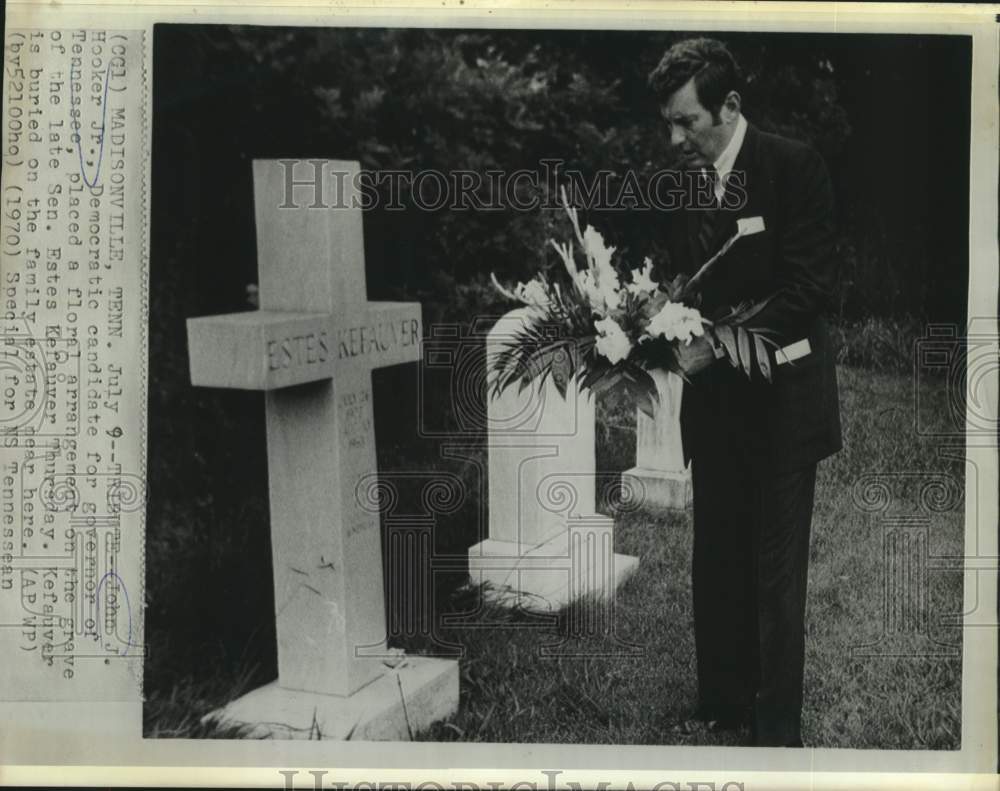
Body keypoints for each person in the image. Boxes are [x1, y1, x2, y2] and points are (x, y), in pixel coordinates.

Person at [647, 37, 843, 747]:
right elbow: (681, 279)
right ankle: (723, 703)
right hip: (716, 409)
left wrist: (719, 342)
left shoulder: (793, 167)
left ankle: (774, 731)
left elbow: (808, 287)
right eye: (669, 123)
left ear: (729, 106)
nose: (676, 139)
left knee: (774, 574)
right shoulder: (682, 184)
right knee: (718, 557)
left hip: (783, 401)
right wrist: (655, 320)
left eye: (687, 121)